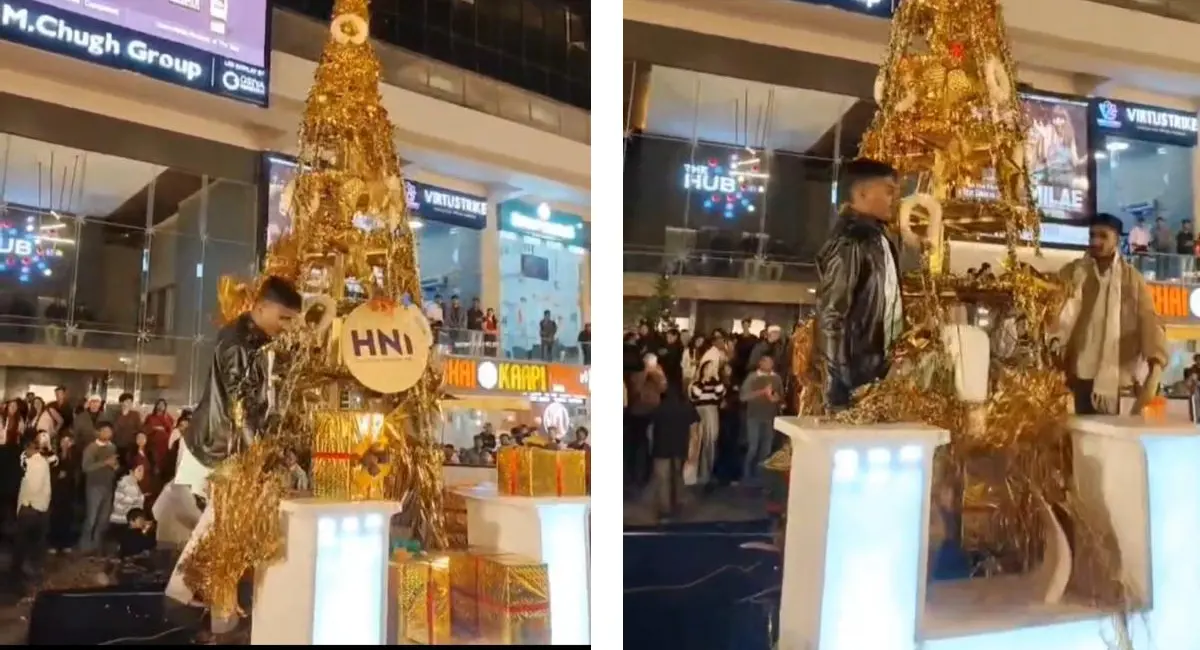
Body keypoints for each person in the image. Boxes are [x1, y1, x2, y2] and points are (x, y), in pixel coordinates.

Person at [167, 276, 302, 633]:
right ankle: (197, 603)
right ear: (262, 307)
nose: (286, 326)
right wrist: (257, 449)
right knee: (223, 526)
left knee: (222, 528)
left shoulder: (255, 341)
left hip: (230, 448)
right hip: (222, 449)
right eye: (283, 318)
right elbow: (238, 403)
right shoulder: (239, 343)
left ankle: (196, 600)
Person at [1055, 213, 1166, 415]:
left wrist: (1156, 365)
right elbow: (1051, 303)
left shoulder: (1132, 279)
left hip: (1116, 382)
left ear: (1117, 240)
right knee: (1078, 434)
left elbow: (1149, 321)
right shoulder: (1073, 273)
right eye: (1092, 235)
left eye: (1103, 236)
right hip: (1078, 377)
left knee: (1110, 434)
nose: (1095, 242)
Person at [815, 158, 903, 412]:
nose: (894, 199)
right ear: (862, 193)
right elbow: (830, 315)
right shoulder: (850, 242)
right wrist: (837, 391)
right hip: (856, 383)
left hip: (877, 378)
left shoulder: (878, 239)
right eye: (888, 191)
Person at [649, 385, 699, 522]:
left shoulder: (658, 409)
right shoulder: (687, 408)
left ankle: (665, 510)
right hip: (680, 446)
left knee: (662, 479)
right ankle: (679, 504)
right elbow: (695, 431)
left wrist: (650, 447)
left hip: (661, 447)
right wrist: (693, 451)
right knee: (678, 476)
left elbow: (650, 431)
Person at [10, 432, 51, 589]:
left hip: (32, 508)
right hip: (38, 508)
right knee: (34, 543)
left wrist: (26, 504)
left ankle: (22, 575)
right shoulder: (37, 462)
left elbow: (33, 487)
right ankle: (30, 573)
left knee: (24, 543)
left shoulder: (36, 464)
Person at [741, 354, 784, 484]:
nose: (769, 364)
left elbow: (780, 396)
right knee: (753, 447)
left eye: (771, 362)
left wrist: (776, 398)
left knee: (766, 448)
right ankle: (747, 475)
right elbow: (743, 397)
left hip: (769, 416)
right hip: (754, 416)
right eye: (766, 362)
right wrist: (762, 392)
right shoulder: (752, 377)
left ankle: (760, 475)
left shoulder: (776, 378)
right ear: (760, 363)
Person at [626, 353, 667, 489]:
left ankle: (648, 472)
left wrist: (658, 375)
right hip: (638, 414)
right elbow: (636, 390)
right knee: (638, 445)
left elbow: (663, 388)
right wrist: (646, 373)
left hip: (653, 413)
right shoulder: (636, 375)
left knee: (651, 444)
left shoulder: (658, 374)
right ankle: (636, 474)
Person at [688, 345, 727, 487]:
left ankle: (707, 473)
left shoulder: (715, 383)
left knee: (711, 441)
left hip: (712, 412)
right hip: (700, 413)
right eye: (708, 368)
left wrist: (716, 380)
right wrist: (703, 381)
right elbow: (695, 396)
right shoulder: (696, 383)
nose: (711, 370)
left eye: (713, 368)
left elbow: (720, 394)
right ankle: (697, 473)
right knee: (699, 442)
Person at [79, 421, 119, 553]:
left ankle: (96, 546)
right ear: (98, 432)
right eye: (105, 431)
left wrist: (115, 467)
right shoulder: (91, 448)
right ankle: (85, 546)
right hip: (94, 486)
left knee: (103, 519)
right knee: (91, 518)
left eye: (110, 431)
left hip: (108, 485)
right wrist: (105, 463)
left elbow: (114, 464)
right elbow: (86, 467)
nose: (108, 433)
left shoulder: (112, 447)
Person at [48, 432, 81, 554]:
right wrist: (57, 475)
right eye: (64, 441)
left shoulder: (75, 456)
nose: (66, 444)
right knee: (55, 517)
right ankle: (53, 543)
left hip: (69, 491)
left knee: (67, 517)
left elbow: (77, 471)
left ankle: (65, 543)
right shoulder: (54, 455)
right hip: (56, 491)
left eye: (68, 441)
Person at [111, 465, 147, 539]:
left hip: (118, 520)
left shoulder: (127, 480)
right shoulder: (130, 485)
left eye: (143, 470)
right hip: (123, 521)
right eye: (139, 470)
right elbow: (133, 507)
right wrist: (141, 497)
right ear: (132, 470)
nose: (142, 473)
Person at [143, 398, 174, 468]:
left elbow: (170, 430)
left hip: (163, 444)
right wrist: (154, 428)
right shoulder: (150, 417)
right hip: (152, 444)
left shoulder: (168, 417)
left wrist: (165, 419)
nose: (161, 406)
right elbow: (144, 428)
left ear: (165, 407)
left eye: (163, 405)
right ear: (156, 405)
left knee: (162, 463)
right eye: (159, 404)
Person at [113, 392, 143, 459]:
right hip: (117, 444)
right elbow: (114, 428)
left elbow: (140, 429)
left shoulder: (135, 414)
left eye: (130, 402)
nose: (129, 403)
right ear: (121, 402)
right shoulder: (115, 414)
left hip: (131, 445)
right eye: (127, 401)